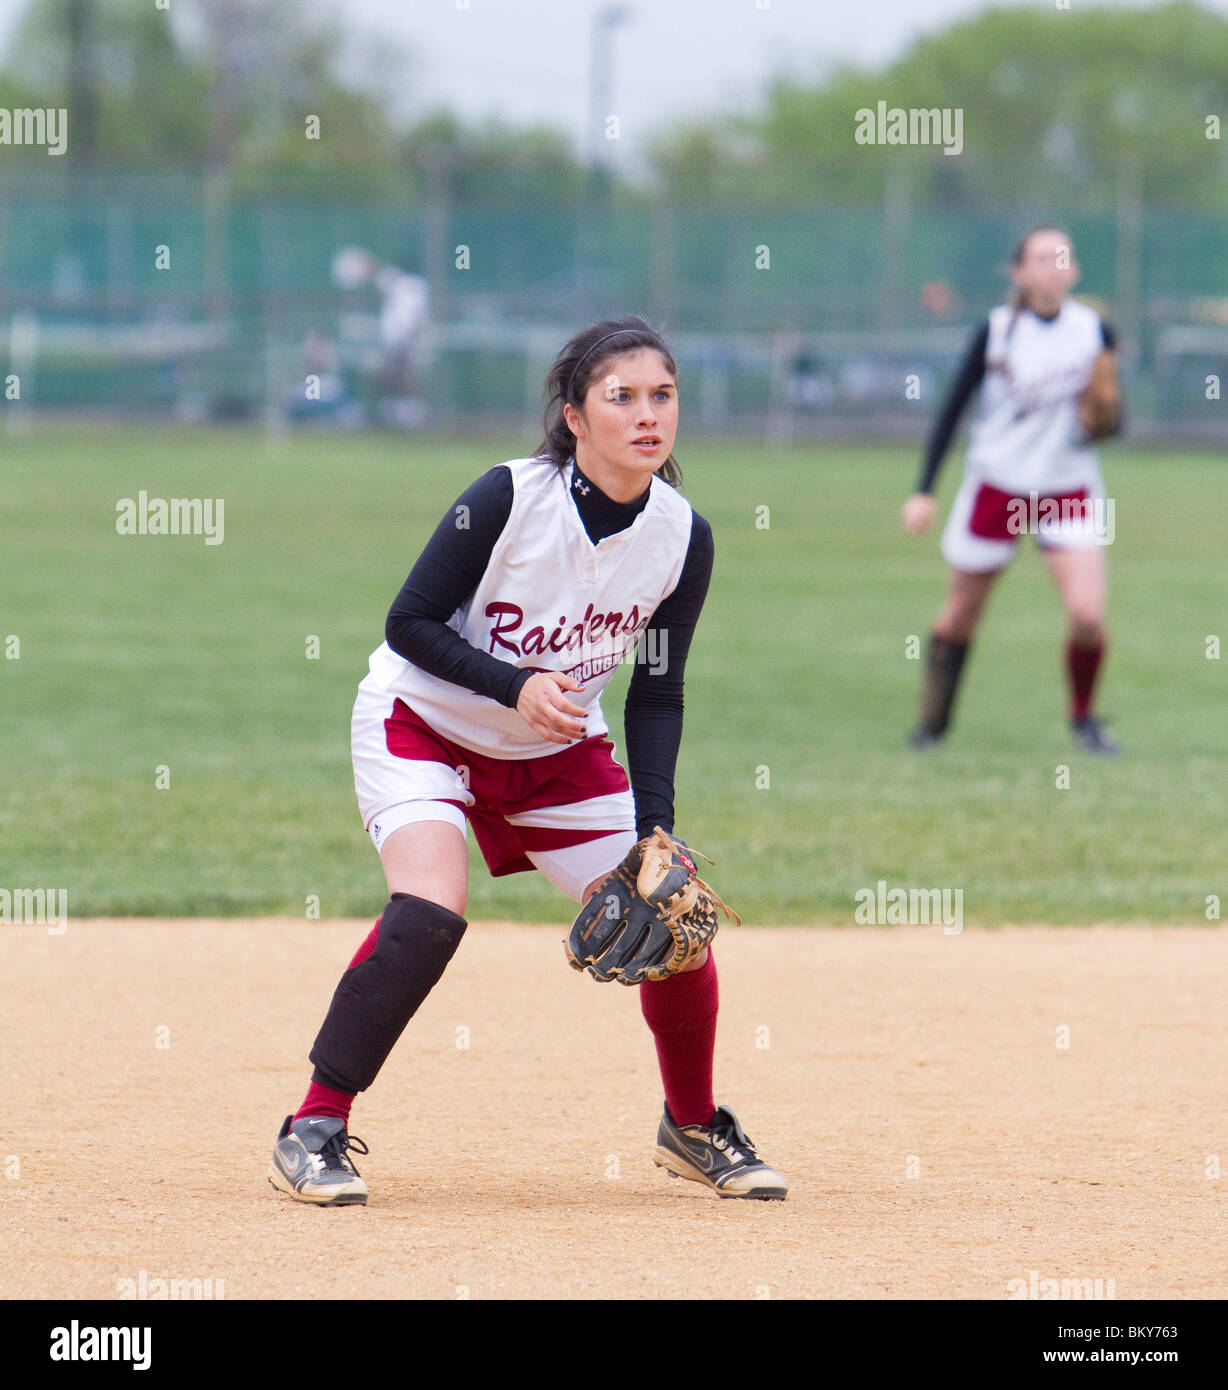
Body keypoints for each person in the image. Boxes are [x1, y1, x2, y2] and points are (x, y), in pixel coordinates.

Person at [268, 315, 787, 1205]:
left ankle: (692, 1125)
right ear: (575, 417)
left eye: (662, 396)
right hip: (422, 723)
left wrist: (653, 828)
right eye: (620, 397)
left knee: (676, 920)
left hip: (555, 754)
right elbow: (409, 624)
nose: (647, 415)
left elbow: (656, 692)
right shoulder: (507, 498)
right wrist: (513, 685)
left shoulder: (681, 537)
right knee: (430, 912)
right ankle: (315, 1123)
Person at [901, 224, 1121, 754]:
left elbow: (1111, 418)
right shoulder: (996, 331)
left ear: (1075, 270)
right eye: (1041, 258)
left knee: (1088, 614)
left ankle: (1084, 719)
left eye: (1062, 257)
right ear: (1020, 272)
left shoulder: (1094, 330)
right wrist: (925, 489)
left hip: (1067, 489)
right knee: (959, 616)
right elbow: (953, 409)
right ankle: (933, 725)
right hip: (997, 487)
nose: (1053, 265)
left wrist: (1107, 417)